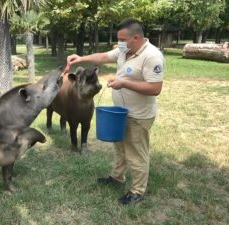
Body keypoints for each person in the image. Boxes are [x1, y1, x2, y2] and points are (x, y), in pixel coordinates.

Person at [66, 18, 164, 205]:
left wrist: (124, 83)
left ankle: (137, 191)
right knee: (120, 148)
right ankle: (118, 178)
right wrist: (81, 58)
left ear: (136, 37)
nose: (119, 44)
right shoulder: (125, 49)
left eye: (122, 39)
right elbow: (103, 57)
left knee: (136, 153)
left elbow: (155, 88)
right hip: (120, 112)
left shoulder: (152, 56)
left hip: (138, 115)